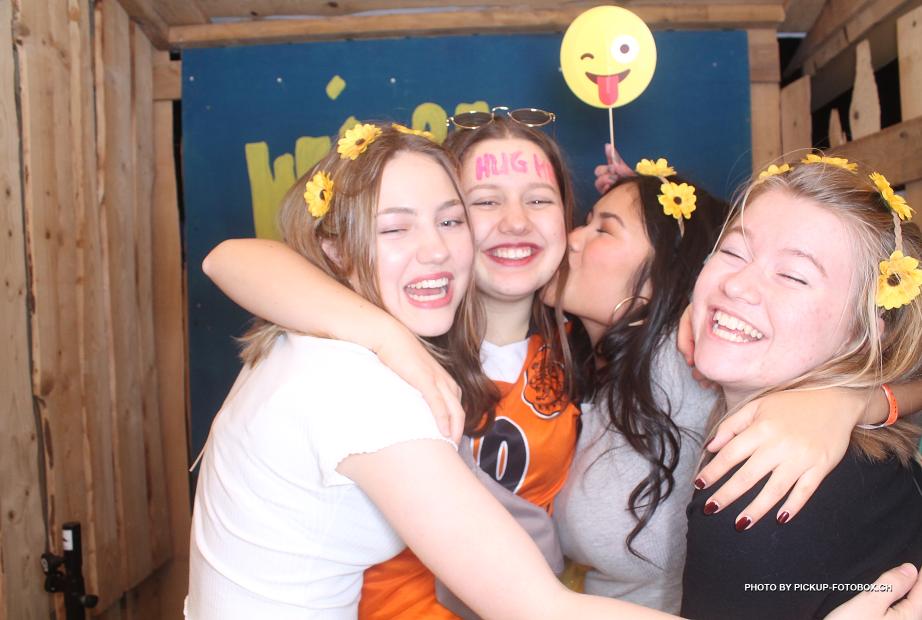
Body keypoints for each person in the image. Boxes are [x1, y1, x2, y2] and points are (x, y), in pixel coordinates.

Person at [205, 110, 582, 619]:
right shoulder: (373, 358)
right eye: (485, 202)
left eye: (538, 200)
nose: (515, 221)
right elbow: (229, 258)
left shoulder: (575, 344)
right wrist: (389, 340)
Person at [680, 155, 922, 619]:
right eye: (733, 252)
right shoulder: (871, 453)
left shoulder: (757, 498)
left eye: (793, 275)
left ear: (861, 333)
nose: (737, 285)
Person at [546, 164, 729, 612]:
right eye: (587, 222)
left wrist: (854, 404)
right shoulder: (599, 377)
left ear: (662, 275)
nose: (572, 238)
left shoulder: (690, 364)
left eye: (604, 230)